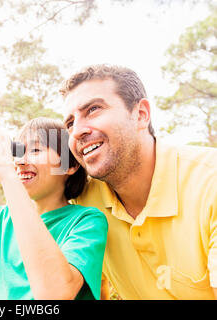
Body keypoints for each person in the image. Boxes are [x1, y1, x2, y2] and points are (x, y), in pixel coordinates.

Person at [60, 64, 217, 300]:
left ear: (141, 114)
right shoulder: (83, 201)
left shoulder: (209, 182)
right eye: (70, 123)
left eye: (93, 109)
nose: (77, 131)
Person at [0, 117, 108, 300]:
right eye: (18, 151)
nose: (20, 161)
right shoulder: (4, 217)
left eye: (35, 150)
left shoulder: (86, 222)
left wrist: (7, 174)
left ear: (70, 165)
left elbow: (56, 294)